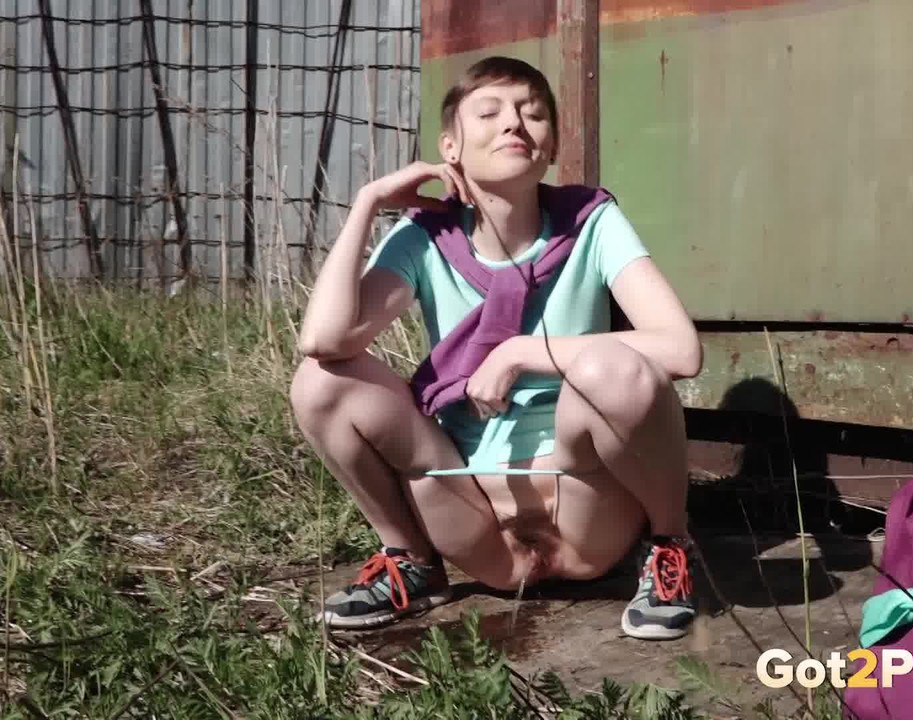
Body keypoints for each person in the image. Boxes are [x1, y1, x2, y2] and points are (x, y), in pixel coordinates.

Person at [289, 56, 703, 641]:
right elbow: (324, 341)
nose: (513, 123)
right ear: (450, 147)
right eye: (489, 112)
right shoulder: (425, 237)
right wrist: (368, 203)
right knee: (321, 381)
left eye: (532, 113)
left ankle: (668, 550)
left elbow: (680, 350)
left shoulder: (591, 222)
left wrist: (518, 353)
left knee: (614, 366)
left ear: (550, 145)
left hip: (585, 501)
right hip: (470, 511)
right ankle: (411, 561)